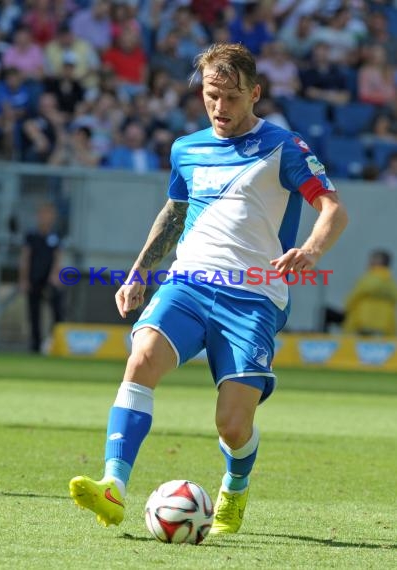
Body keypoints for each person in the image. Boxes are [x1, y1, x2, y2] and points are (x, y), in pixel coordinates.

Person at [69, 43, 348, 534]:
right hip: (190, 281)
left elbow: (333, 209)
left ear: (255, 94)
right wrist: (139, 271)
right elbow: (174, 212)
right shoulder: (187, 148)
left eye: (231, 98)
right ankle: (113, 487)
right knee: (141, 358)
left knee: (232, 426)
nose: (219, 107)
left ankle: (235, 486)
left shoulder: (284, 147)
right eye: (210, 95)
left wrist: (311, 251)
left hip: (256, 296)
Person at [19, 202, 64, 353]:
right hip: (34, 277)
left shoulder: (55, 235)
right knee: (34, 312)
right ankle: (35, 345)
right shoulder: (31, 235)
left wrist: (55, 275)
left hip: (49, 278)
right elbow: (25, 257)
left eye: (49, 214)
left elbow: (58, 257)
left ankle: (55, 342)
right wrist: (24, 279)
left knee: (57, 310)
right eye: (43, 214)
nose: (46, 217)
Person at [322, 250, 397, 335]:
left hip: (361, 321)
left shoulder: (368, 279)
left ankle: (321, 340)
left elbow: (351, 300)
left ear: (377, 261)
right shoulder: (391, 284)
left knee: (324, 312)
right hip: (385, 325)